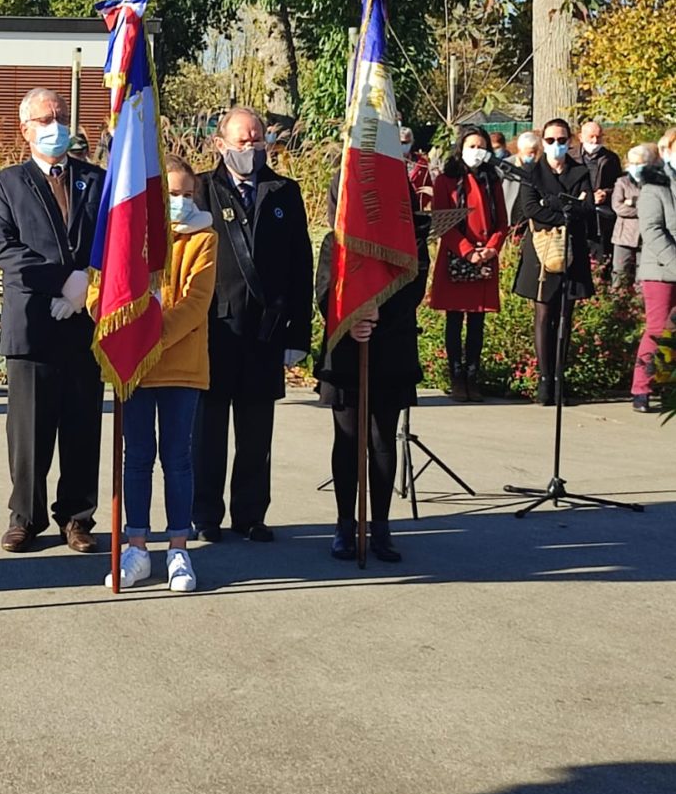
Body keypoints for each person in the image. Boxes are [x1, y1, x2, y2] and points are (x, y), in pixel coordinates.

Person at [0, 87, 105, 554]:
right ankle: (26, 518)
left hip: (84, 323)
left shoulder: (95, 181)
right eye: (44, 118)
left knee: (81, 427)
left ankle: (77, 517)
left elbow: (111, 244)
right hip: (33, 324)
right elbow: (8, 252)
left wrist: (86, 290)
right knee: (29, 434)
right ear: (25, 130)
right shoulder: (6, 184)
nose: (55, 124)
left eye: (60, 115)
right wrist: (64, 282)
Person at [192, 107, 313, 543]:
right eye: (242, 140)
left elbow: (302, 264)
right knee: (207, 433)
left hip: (266, 331)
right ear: (220, 143)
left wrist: (299, 333)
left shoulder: (284, 192)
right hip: (213, 330)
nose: (251, 146)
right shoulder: (202, 190)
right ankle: (204, 515)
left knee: (256, 433)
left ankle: (250, 514)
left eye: (257, 138)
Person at [96, 157, 216, 591]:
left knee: (178, 458)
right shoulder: (126, 234)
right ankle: (137, 546)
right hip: (135, 369)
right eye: (172, 195)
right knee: (138, 458)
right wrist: (120, 330)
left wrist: (151, 335)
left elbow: (196, 303)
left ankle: (179, 548)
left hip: (181, 367)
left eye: (187, 194)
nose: (180, 203)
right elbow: (101, 289)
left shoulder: (203, 239)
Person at [315, 172, 429, 563]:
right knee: (348, 440)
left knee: (382, 438)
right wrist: (353, 317)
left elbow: (414, 287)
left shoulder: (409, 239)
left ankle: (380, 525)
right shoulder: (336, 241)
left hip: (391, 349)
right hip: (346, 350)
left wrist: (378, 314)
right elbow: (325, 291)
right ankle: (345, 524)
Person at [513, 118, 596, 406]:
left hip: (572, 249)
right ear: (542, 141)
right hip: (542, 252)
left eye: (561, 140)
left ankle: (561, 378)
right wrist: (564, 208)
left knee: (565, 316)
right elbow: (531, 209)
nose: (556, 145)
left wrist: (554, 204)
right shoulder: (531, 173)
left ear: (570, 141)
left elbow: (587, 208)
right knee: (543, 314)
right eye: (550, 140)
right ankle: (545, 380)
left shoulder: (581, 171)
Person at [429, 125, 508, 403]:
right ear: (461, 148)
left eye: (481, 146)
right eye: (471, 146)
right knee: (454, 320)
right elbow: (442, 221)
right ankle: (456, 376)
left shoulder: (492, 179)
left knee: (477, 321)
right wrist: (466, 250)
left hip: (485, 256)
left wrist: (492, 248)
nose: (477, 151)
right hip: (457, 256)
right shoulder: (446, 180)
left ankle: (473, 377)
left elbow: (502, 222)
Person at [630, 142, 676, 414]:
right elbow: (652, 230)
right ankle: (641, 388)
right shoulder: (655, 186)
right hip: (660, 270)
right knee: (658, 330)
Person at [580, 120, 623, 276]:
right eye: (591, 137)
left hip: (602, 215)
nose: (595, 141)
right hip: (580, 212)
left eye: (598, 137)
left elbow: (619, 184)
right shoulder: (573, 158)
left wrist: (606, 193)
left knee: (601, 256)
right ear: (581, 137)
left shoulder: (611, 158)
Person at [610, 145, 649, 292]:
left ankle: (639, 306)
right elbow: (618, 207)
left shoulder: (652, 182)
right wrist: (642, 207)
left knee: (642, 274)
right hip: (624, 234)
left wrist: (632, 202)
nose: (636, 167)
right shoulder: (622, 182)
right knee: (619, 270)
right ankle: (616, 302)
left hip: (645, 235)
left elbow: (655, 205)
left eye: (640, 163)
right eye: (633, 163)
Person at [401, 126, 434, 214]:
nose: (403, 145)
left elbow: (428, 183)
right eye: (400, 142)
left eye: (406, 142)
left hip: (417, 206)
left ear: (411, 142)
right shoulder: (390, 161)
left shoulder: (421, 162)